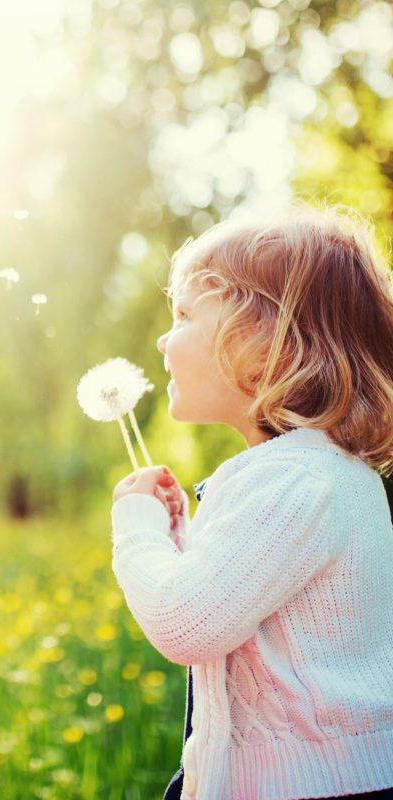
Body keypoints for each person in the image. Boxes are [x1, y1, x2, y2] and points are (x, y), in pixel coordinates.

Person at [109, 203, 393, 799]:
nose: (163, 336)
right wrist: (178, 538)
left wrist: (136, 527)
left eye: (185, 313)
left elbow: (189, 624)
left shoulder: (299, 482)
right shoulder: (298, 475)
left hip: (314, 791)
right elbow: (243, 605)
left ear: (266, 342)